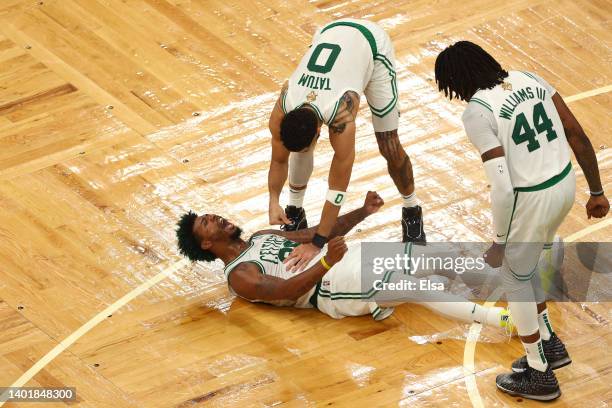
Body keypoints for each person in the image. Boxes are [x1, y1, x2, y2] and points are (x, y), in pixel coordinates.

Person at [434, 41, 609, 401]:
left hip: (533, 197)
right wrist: (596, 190)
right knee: (529, 267)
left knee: (513, 277)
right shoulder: (529, 77)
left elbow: (501, 186)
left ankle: (539, 373)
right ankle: (548, 342)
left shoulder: (477, 112)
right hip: (564, 184)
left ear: (455, 81)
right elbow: (576, 133)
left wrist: (499, 240)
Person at [176, 191, 513, 330]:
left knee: (437, 255)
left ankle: (516, 285)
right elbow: (282, 290)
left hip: (343, 260)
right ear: (206, 243)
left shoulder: (263, 236)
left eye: (211, 214)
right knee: (412, 285)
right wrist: (326, 264)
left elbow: (317, 234)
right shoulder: (238, 276)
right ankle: (501, 321)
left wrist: (362, 212)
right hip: (332, 286)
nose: (216, 217)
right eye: (207, 222)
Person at [267, 18, 425, 273]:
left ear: (321, 130)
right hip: (329, 31)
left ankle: (412, 209)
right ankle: (294, 210)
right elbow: (279, 159)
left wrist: (318, 242)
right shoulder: (284, 104)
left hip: (372, 47)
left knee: (389, 144)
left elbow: (337, 187)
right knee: (299, 150)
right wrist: (273, 200)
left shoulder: (342, 116)